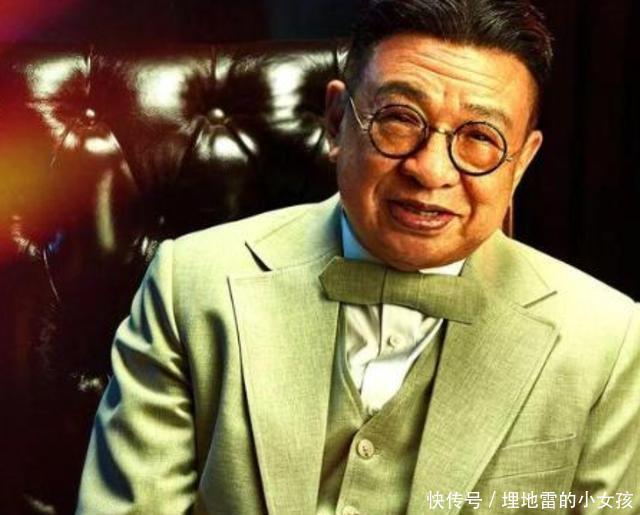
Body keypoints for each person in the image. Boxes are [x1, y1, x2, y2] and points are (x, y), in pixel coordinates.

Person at [76, 0, 640, 513]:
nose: (431, 171)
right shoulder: (192, 283)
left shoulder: (608, 340)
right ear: (336, 120)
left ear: (521, 162)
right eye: (399, 119)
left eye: (479, 137)